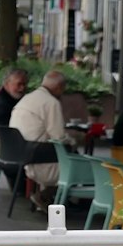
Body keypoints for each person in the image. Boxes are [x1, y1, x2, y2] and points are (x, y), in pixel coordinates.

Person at [9, 69, 73, 207]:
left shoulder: (27, 98)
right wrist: (72, 141)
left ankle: (45, 197)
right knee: (76, 161)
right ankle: (46, 197)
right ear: (58, 87)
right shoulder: (51, 103)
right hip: (40, 159)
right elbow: (58, 137)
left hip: (22, 155)